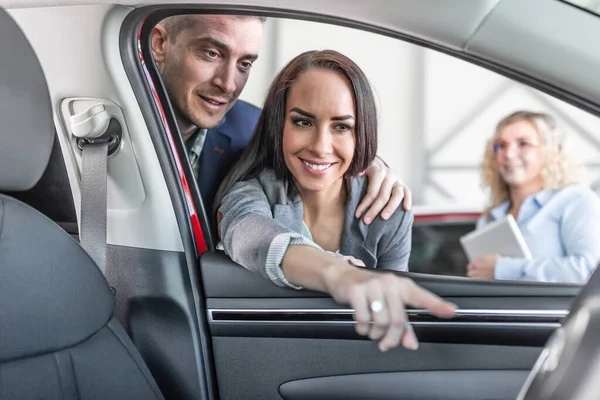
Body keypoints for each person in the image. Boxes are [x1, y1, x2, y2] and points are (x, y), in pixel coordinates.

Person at [215, 49, 456, 352]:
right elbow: (250, 233)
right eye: (303, 122)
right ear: (279, 127)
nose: (320, 146)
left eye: (341, 127)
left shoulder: (387, 211)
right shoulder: (252, 192)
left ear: (361, 134)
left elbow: (391, 325)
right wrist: (339, 273)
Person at [150, 14, 412, 227]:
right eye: (211, 53)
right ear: (160, 43)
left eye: (244, 64)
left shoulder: (251, 128)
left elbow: (315, 148)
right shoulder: (111, 126)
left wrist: (370, 166)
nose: (228, 84)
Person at [467, 110, 600, 283]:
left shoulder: (575, 200)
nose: (508, 154)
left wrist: (503, 269)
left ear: (550, 150)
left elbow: (589, 270)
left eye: (523, 143)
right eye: (501, 146)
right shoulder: (490, 218)